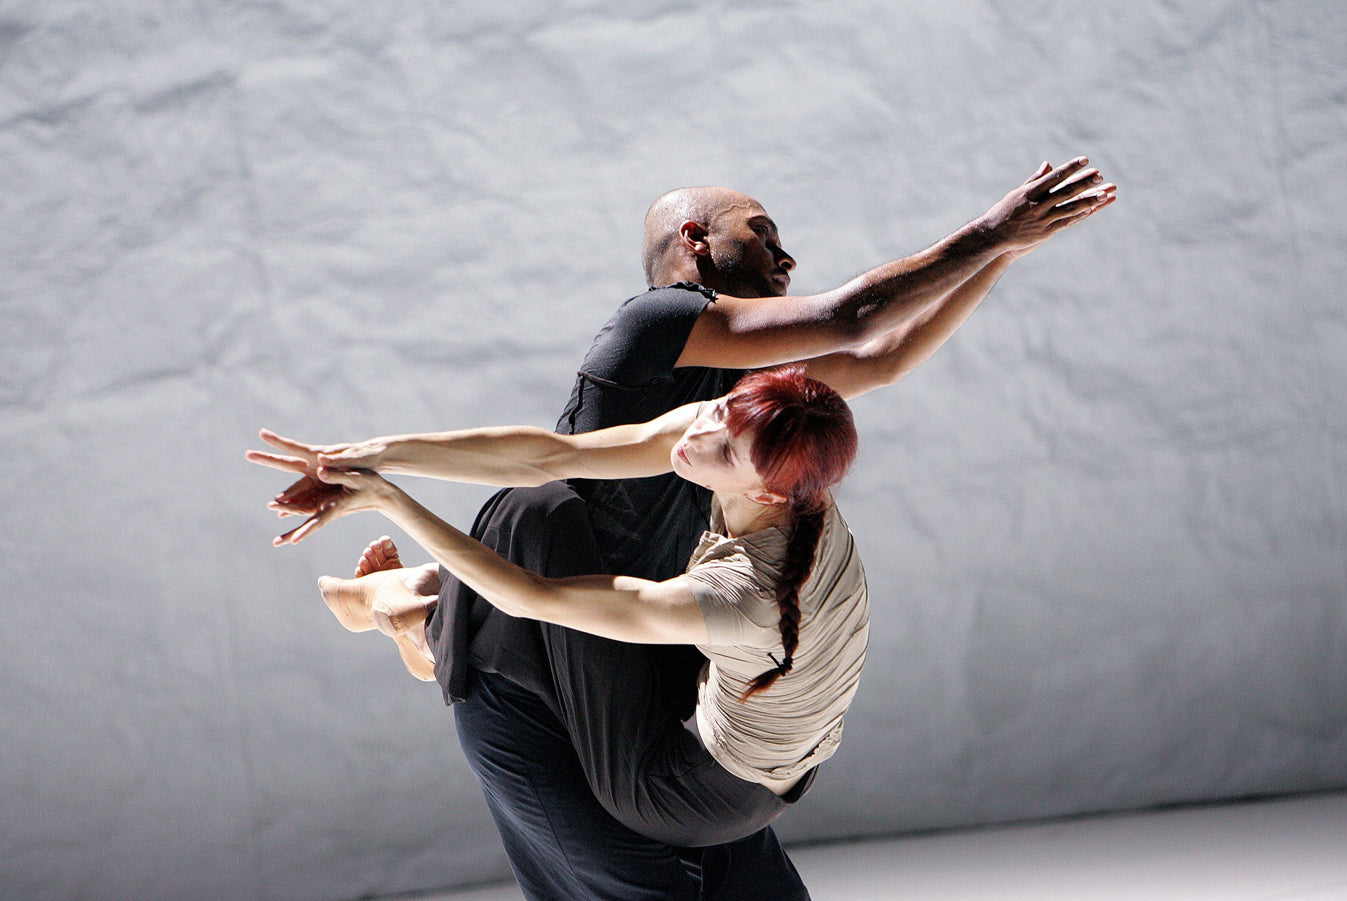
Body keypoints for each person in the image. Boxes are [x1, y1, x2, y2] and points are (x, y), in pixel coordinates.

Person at [251, 159, 1115, 900]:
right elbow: (544, 458)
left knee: (569, 560)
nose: (787, 256)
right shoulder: (658, 323)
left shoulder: (744, 408)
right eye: (762, 233)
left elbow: (880, 358)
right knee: (532, 514)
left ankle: (414, 612)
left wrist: (1005, 253)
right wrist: (988, 231)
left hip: (652, 630)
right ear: (697, 243)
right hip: (568, 614)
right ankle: (421, 617)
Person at [253, 365, 864, 847]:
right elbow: (554, 454)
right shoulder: (783, 473)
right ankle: (424, 608)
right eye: (720, 411)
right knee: (545, 509)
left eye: (726, 453)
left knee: (541, 567)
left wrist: (387, 500)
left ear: (765, 491)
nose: (698, 438)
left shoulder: (747, 593)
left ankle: (419, 624)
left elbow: (531, 596)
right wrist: (362, 455)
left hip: (686, 796)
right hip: (738, 721)